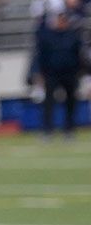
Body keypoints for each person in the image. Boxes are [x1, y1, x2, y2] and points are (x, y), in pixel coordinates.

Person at [33, 10, 82, 140]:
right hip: (51, 74)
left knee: (70, 103)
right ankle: (47, 130)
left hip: (70, 74)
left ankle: (69, 130)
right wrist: (39, 73)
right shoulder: (47, 36)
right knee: (48, 103)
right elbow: (40, 56)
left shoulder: (72, 36)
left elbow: (78, 55)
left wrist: (79, 72)